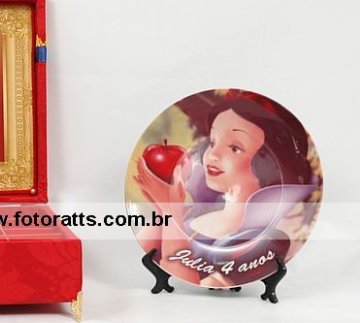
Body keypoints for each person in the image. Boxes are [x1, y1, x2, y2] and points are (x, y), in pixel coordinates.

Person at [135, 90, 317, 286]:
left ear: (268, 165)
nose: (213, 154)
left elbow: (197, 284)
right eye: (213, 142)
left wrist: (171, 212)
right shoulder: (192, 212)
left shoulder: (261, 242)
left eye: (235, 148)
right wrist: (165, 207)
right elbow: (147, 249)